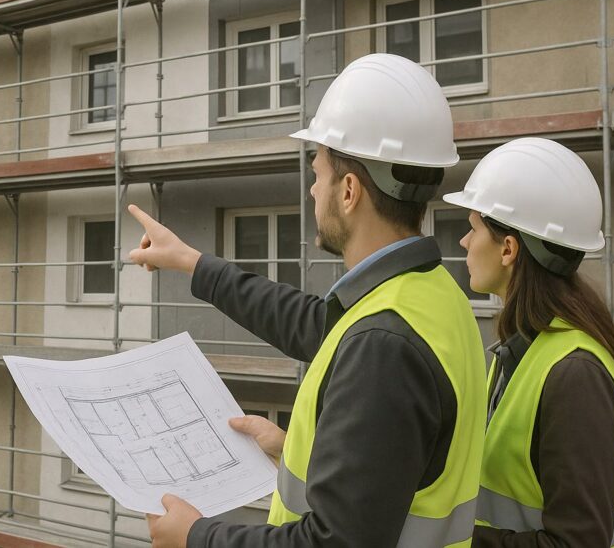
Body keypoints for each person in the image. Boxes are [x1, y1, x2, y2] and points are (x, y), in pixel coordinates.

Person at [130, 53, 487, 547]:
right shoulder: (429, 292)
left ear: (349, 191)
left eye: (317, 174)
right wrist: (192, 263)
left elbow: (334, 542)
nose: (312, 191)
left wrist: (197, 536)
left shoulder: (383, 343)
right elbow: (315, 327)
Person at [443, 137, 614, 547]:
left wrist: (453, 541)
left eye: (473, 228)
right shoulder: (520, 351)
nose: (464, 242)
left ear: (508, 249)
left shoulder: (575, 377)